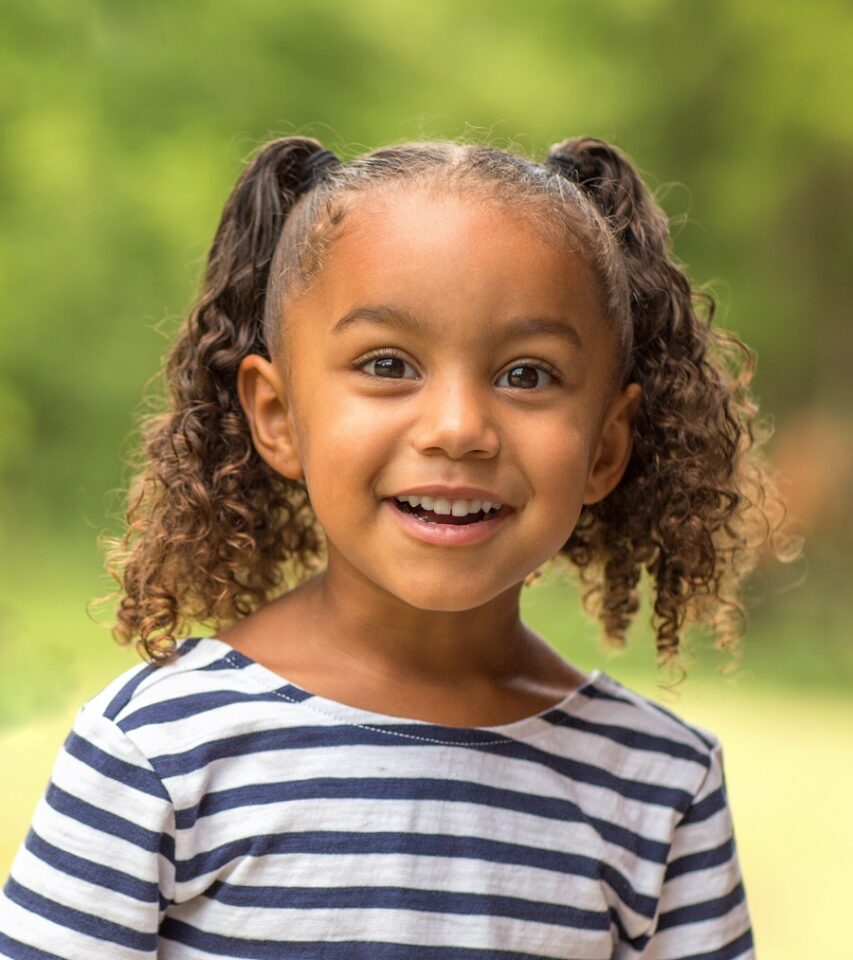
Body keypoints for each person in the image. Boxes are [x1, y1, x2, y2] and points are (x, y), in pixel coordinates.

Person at [0, 133, 794, 958]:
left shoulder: (659, 785)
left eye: (527, 374)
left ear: (603, 445)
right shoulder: (159, 750)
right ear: (276, 416)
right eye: (387, 364)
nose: (457, 429)